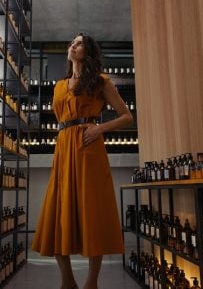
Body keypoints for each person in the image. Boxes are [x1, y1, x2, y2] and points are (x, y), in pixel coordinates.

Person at [31, 33, 133, 289]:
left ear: (87, 52)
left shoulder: (100, 81)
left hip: (89, 147)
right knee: (56, 211)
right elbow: (61, 118)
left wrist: (99, 129)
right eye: (72, 43)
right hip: (64, 147)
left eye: (78, 44)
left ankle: (91, 283)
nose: (72, 46)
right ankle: (68, 281)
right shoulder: (59, 85)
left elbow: (126, 116)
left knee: (92, 211)